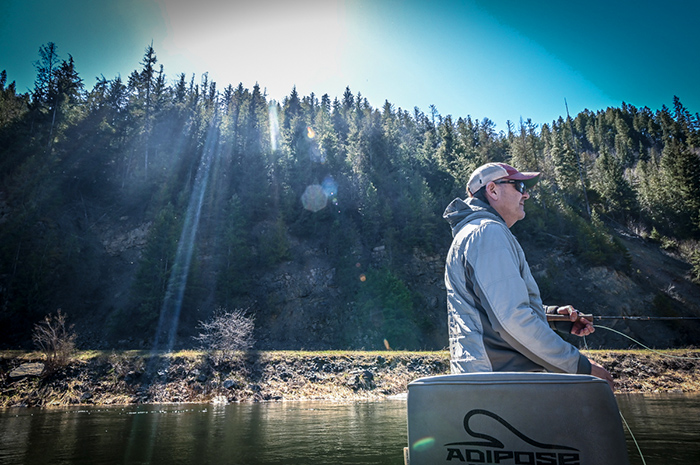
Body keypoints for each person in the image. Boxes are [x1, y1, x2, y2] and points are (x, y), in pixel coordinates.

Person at [443, 162, 614, 388]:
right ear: (492, 190)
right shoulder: (487, 233)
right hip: (500, 385)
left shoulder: (476, 233)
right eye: (520, 186)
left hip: (490, 382)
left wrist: (552, 318)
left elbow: (492, 310)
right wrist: (580, 366)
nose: (527, 195)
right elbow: (511, 319)